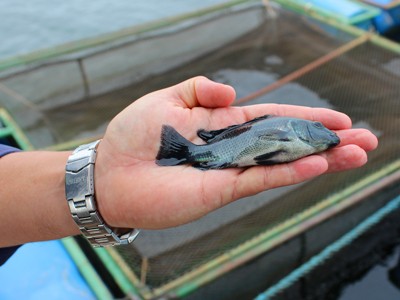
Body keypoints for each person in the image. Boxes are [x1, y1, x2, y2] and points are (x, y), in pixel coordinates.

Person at [0, 77, 378, 264]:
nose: (326, 136)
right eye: (321, 133)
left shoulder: (297, 135)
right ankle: (190, 153)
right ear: (301, 130)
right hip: (211, 149)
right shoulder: (291, 130)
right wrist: (102, 185)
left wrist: (101, 185)